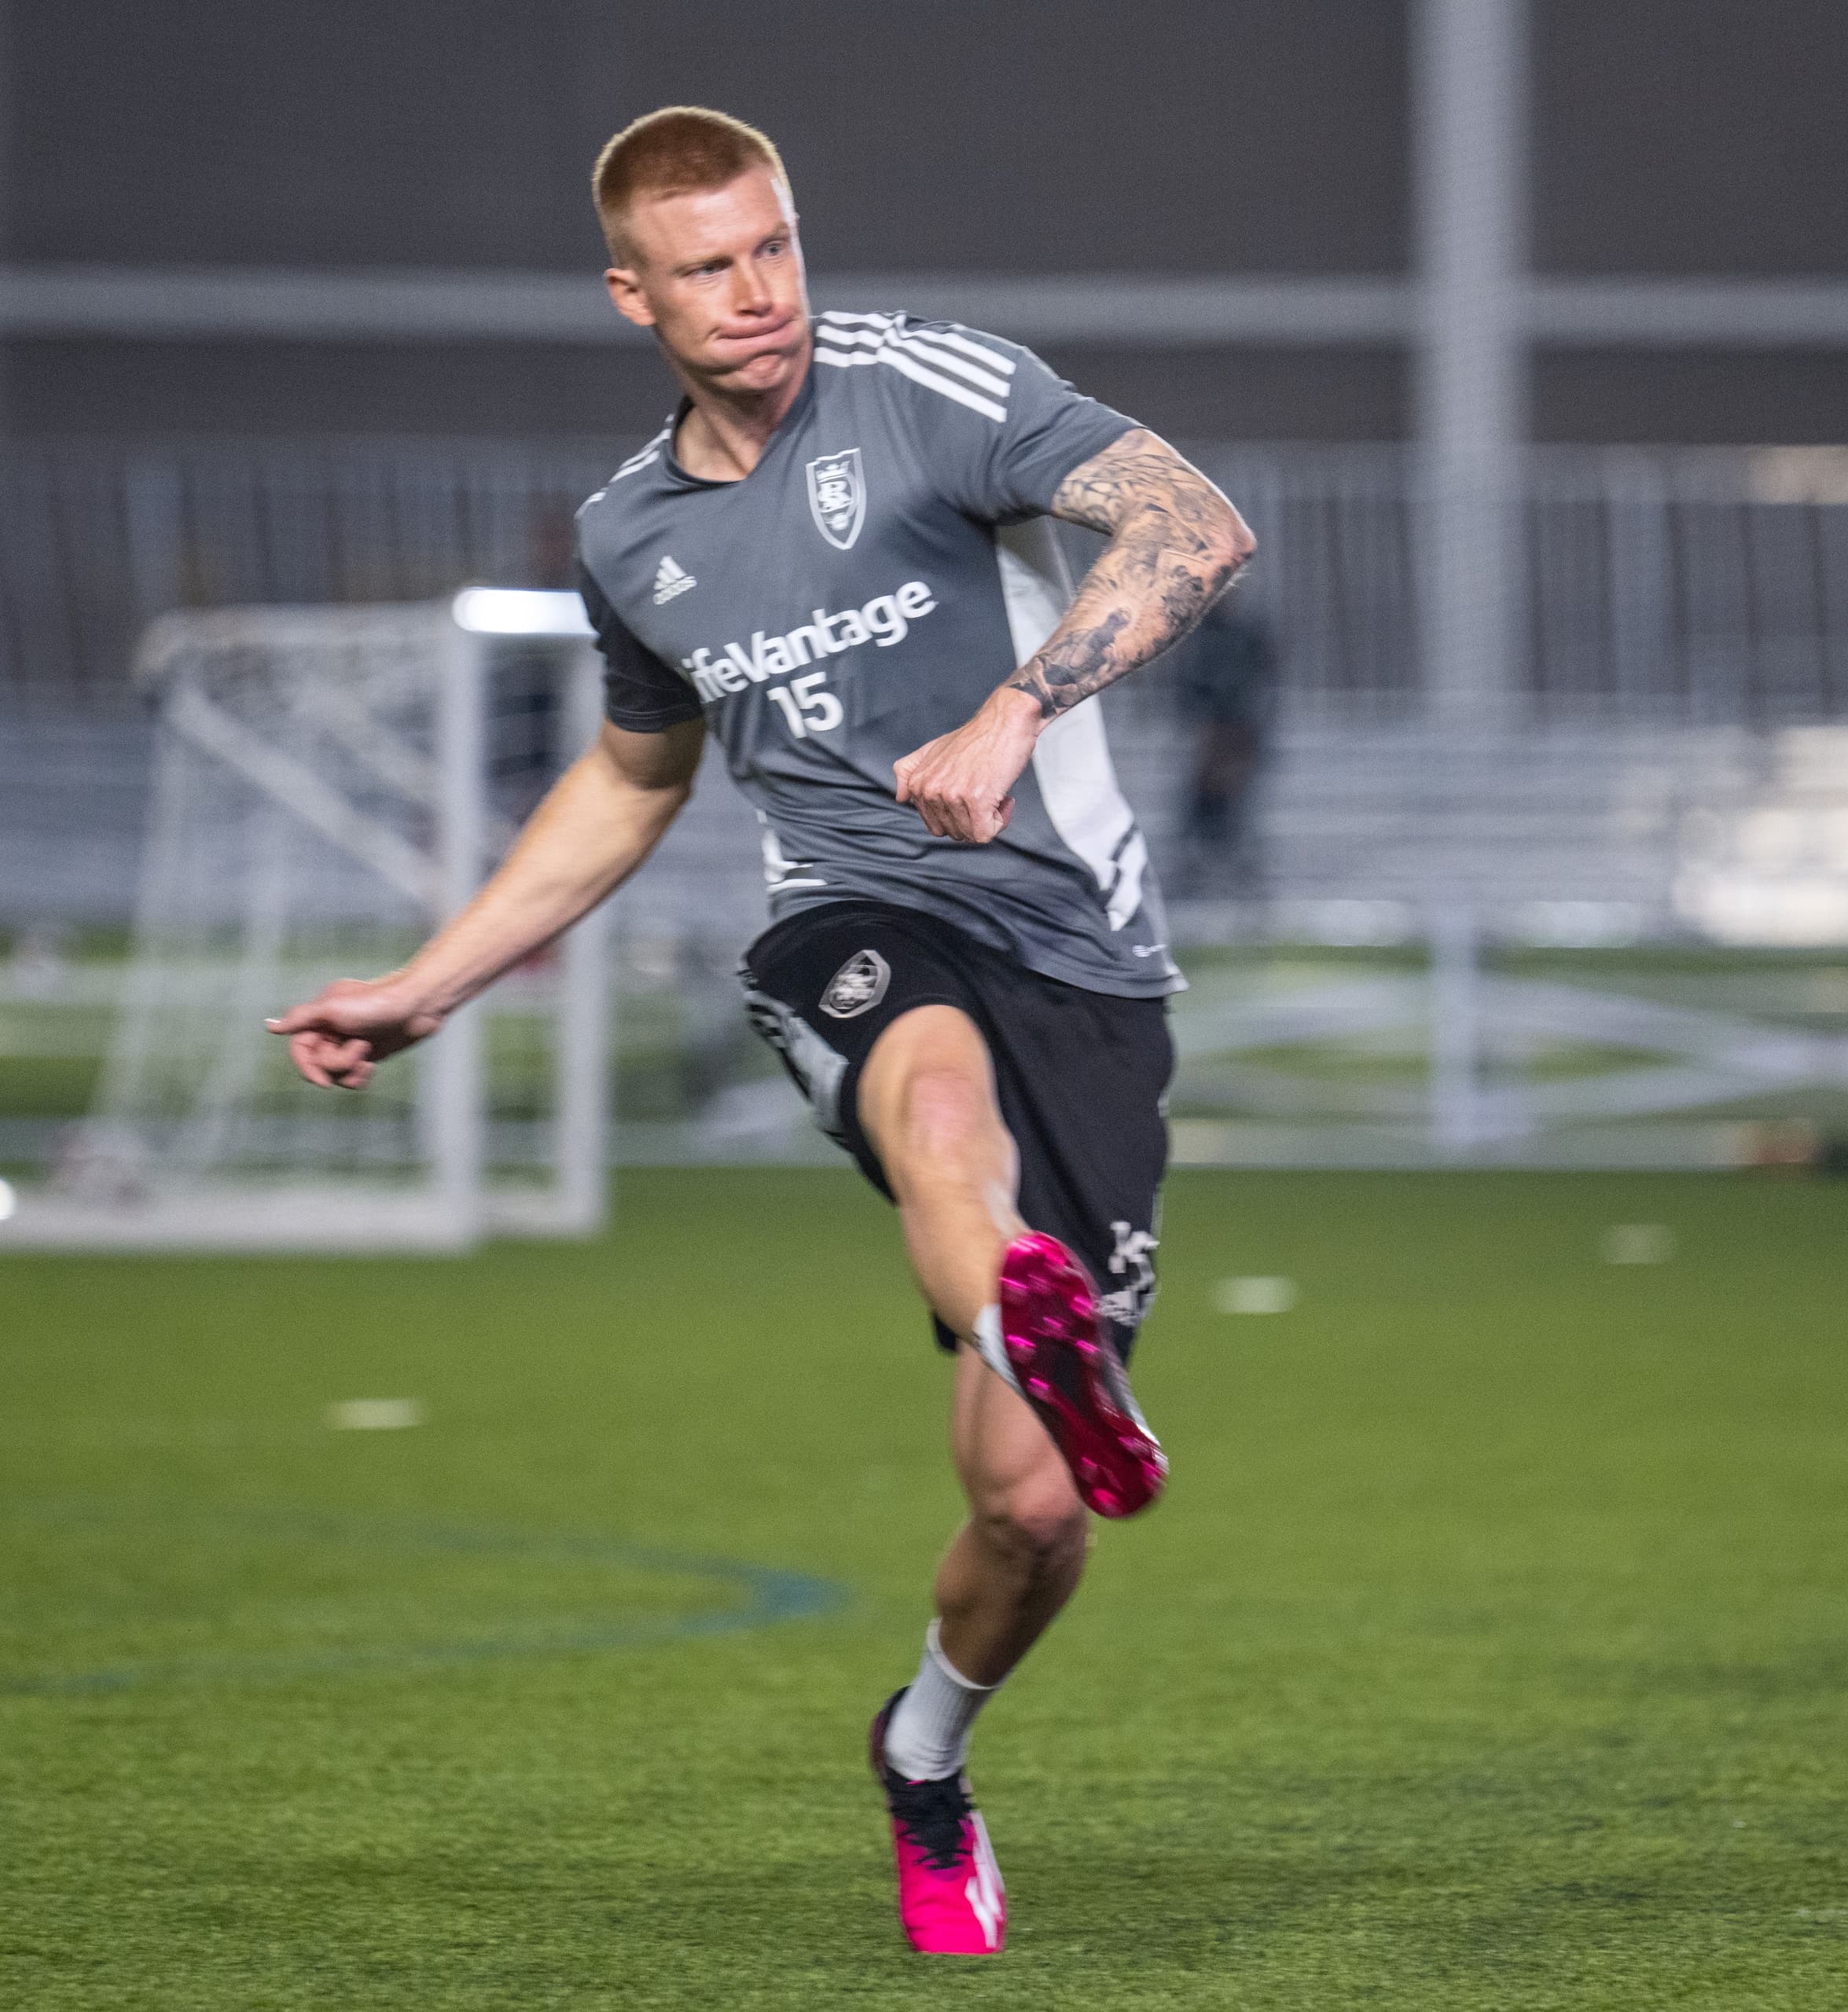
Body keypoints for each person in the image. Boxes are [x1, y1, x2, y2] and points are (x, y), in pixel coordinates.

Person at [263, 108, 1253, 1955]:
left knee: (1031, 1513)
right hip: (848, 919)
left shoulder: (930, 389)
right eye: (708, 266)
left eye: (775, 246)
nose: (759, 293)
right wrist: (430, 981)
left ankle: (923, 1746)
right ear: (631, 295)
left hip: (1084, 966)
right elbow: (635, 776)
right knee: (934, 1105)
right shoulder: (632, 534)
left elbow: (1196, 523)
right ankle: (1026, 1307)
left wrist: (1017, 709)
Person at [1168, 596, 1277, 900]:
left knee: (1232, 803)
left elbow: (1259, 678)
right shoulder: (1202, 635)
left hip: (1236, 726)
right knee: (1205, 800)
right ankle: (1202, 864)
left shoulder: (1244, 633)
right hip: (1215, 726)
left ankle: (1231, 865)